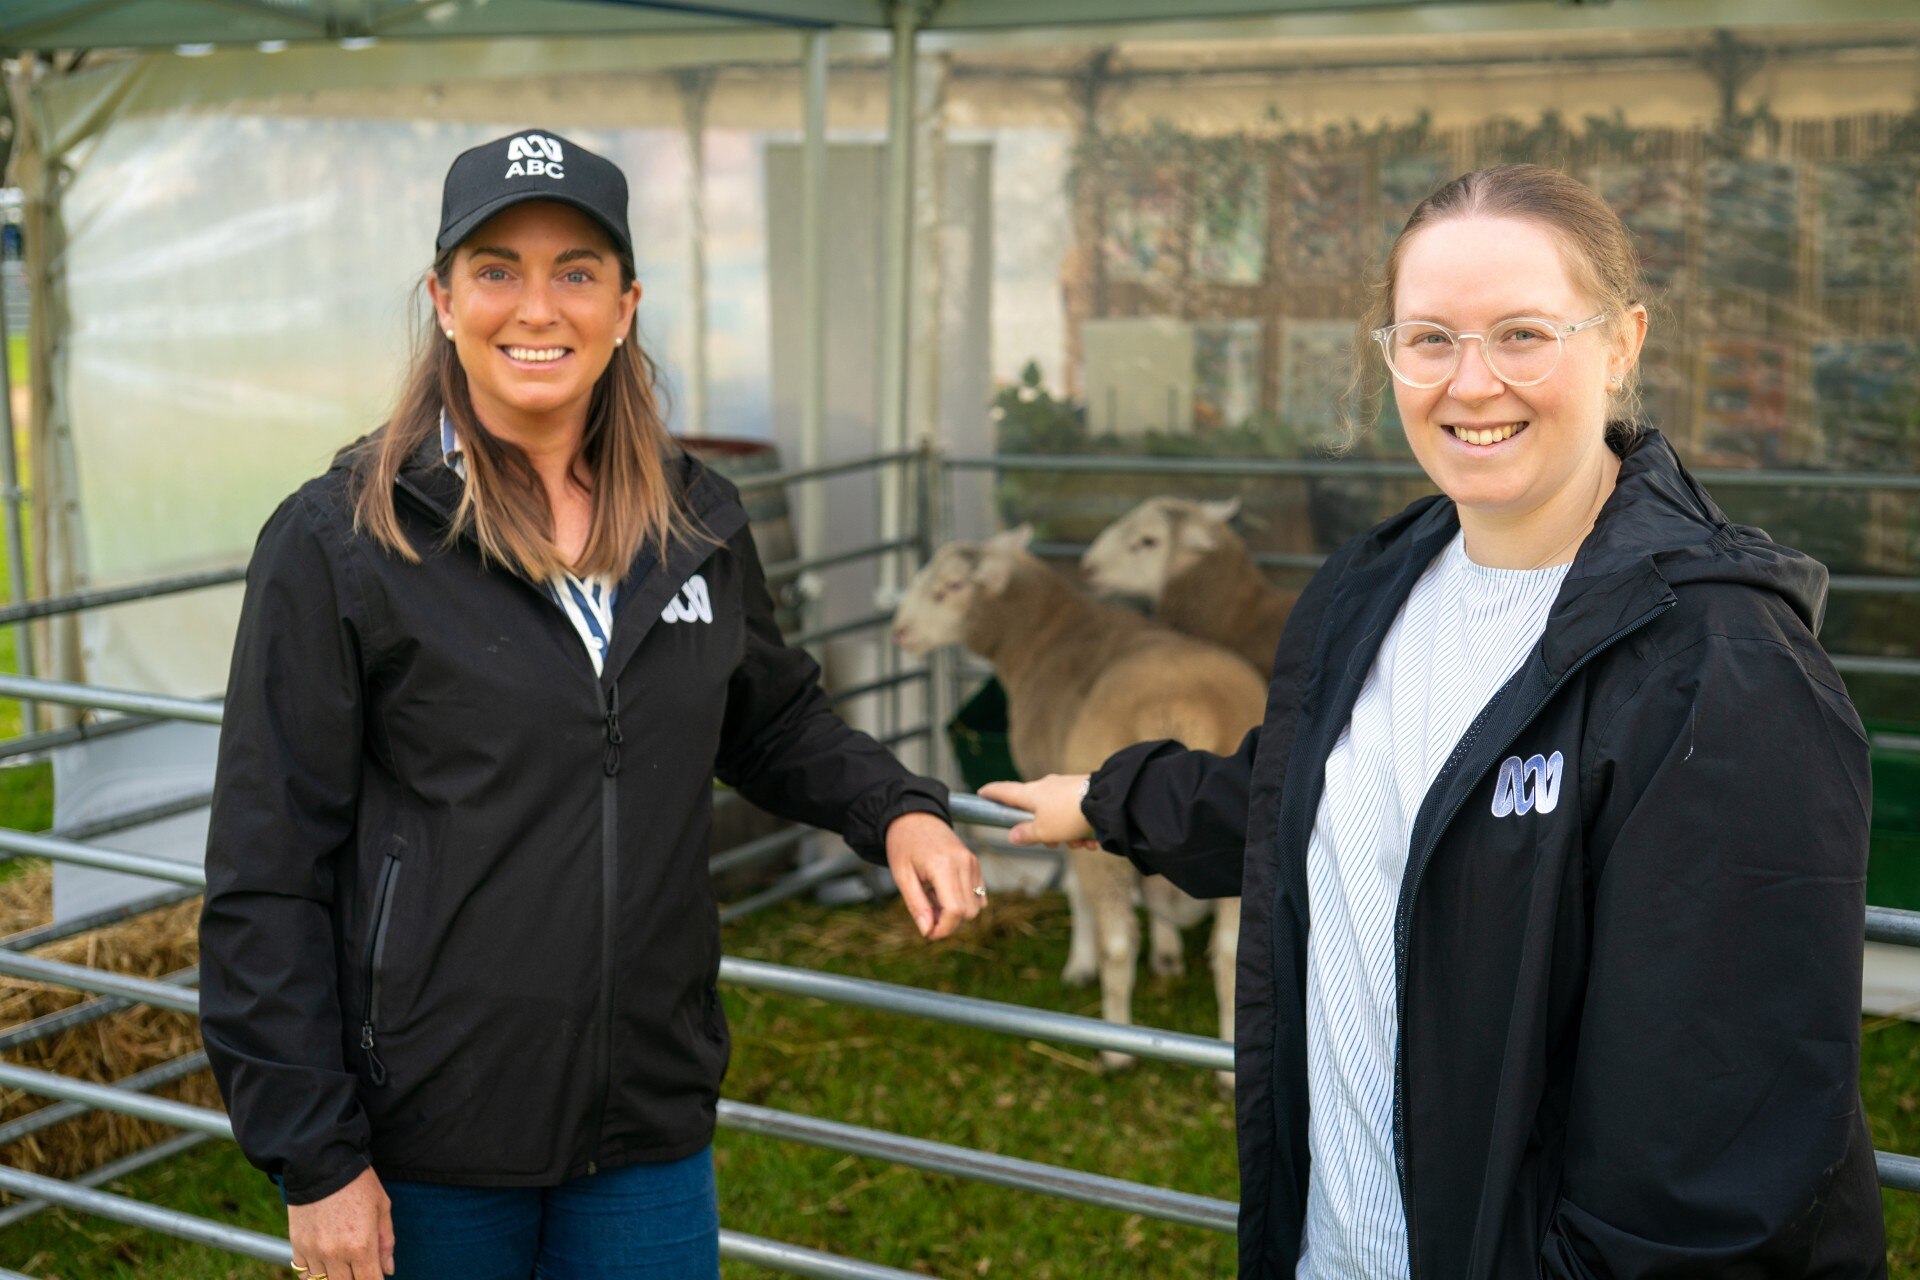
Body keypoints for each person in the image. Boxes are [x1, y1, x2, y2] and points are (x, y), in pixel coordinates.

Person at [985, 163, 1886, 1278]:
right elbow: (1323, 794)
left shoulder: (1720, 667)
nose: (1471, 383)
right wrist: (1113, 798)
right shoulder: (1379, 583)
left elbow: (1722, 1140)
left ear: (1622, 343)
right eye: (1429, 338)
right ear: (1388, 356)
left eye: (1522, 333)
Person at [199, 129, 984, 1280]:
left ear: (625, 305)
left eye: (576, 270)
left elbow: (766, 715)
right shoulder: (343, 540)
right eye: (496, 268)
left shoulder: (695, 519)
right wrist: (313, 1158)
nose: (538, 305)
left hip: (645, 1132)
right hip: (427, 1137)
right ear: (443, 298)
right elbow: (266, 870)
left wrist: (899, 806)